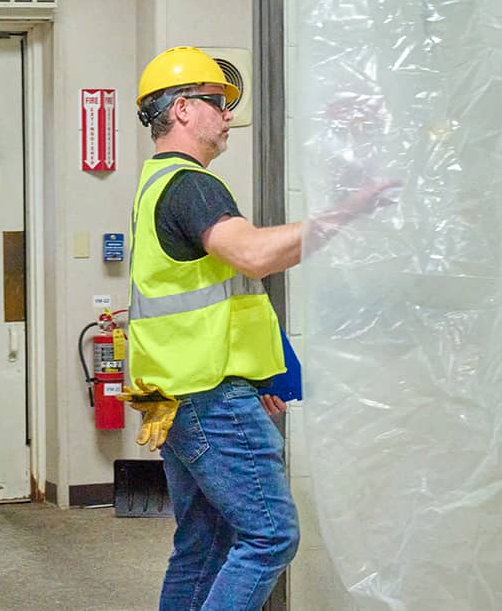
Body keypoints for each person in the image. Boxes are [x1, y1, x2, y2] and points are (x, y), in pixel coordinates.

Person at [124, 46, 391, 611]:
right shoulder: (190, 186)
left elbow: (224, 301)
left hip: (177, 393)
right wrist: (346, 212)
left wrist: (264, 375)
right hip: (209, 395)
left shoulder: (156, 185)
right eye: (217, 103)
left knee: (204, 544)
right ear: (182, 111)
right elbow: (251, 256)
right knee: (271, 535)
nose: (228, 118)